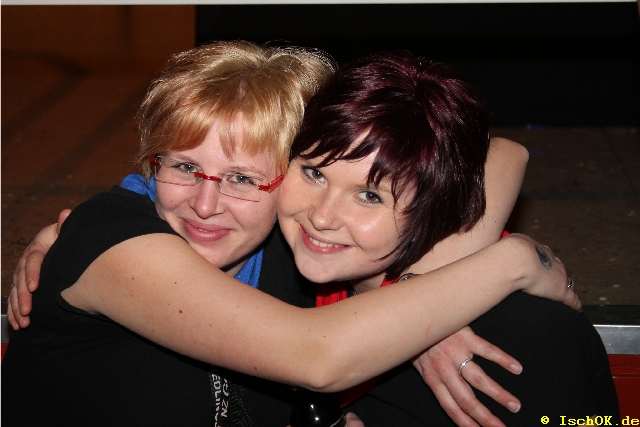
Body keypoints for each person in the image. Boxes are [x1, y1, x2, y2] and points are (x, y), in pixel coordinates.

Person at [4, 42, 577, 427]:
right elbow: (316, 356)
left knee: (530, 334)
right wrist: (515, 261)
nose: (204, 204)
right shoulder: (113, 237)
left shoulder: (295, 250)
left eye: (242, 178)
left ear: (290, 176)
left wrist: (422, 301)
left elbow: (502, 154)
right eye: (183, 167)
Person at [275, 51, 619, 426]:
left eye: (370, 196)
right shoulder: (281, 272)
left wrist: (419, 314)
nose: (321, 217)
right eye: (314, 173)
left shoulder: (520, 336)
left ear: (431, 210)